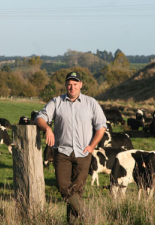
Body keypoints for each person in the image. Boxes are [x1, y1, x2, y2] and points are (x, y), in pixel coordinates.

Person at [35, 71, 107, 223]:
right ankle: (87, 215)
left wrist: (92, 146)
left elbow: (101, 126)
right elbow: (40, 118)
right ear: (65, 85)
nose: (72, 87)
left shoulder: (91, 103)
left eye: (75, 84)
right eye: (69, 84)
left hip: (83, 153)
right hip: (62, 152)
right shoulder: (57, 102)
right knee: (63, 187)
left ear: (81, 85)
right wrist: (47, 128)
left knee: (76, 191)